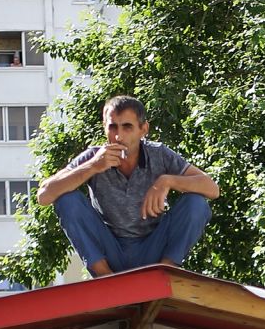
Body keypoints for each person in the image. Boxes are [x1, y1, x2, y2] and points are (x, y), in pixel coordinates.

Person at [35, 95, 219, 276]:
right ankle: (105, 277)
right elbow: (44, 196)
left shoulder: (159, 154)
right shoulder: (94, 156)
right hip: (110, 250)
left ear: (143, 129)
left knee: (196, 202)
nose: (118, 136)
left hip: (153, 248)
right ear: (104, 128)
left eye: (127, 127)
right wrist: (92, 167)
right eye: (112, 127)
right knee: (67, 200)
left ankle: (165, 272)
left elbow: (212, 189)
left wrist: (167, 181)